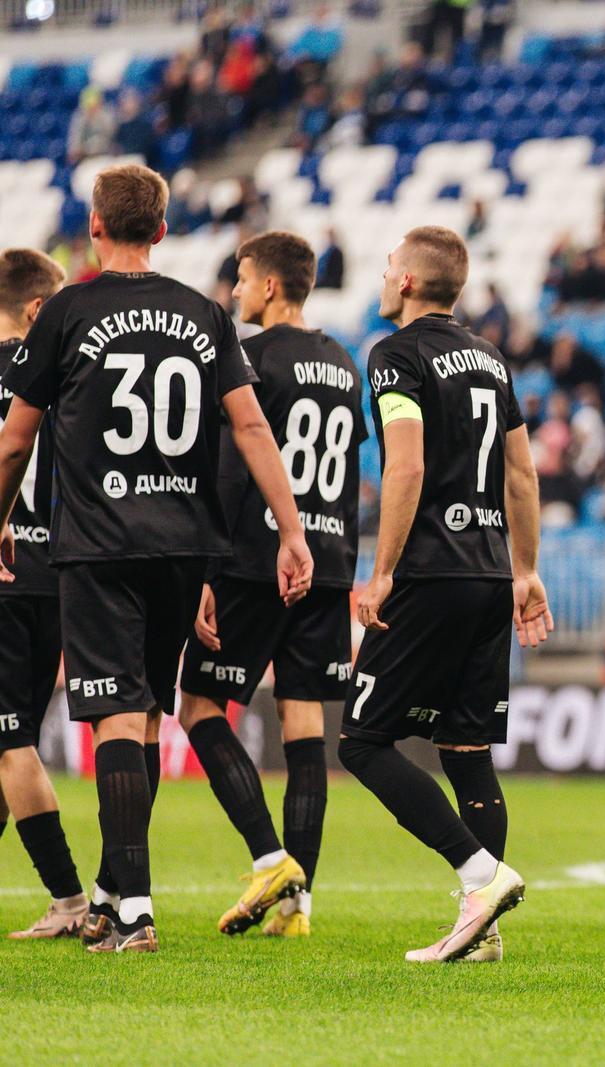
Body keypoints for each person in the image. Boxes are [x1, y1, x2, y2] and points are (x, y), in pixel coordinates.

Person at [0, 164, 313, 953]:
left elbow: (14, 439)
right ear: (164, 229)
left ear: (96, 226)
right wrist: (292, 526)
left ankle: (133, 907)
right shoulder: (203, 311)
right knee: (138, 715)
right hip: (183, 544)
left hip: (101, 544)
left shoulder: (68, 309)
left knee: (112, 712)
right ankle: (110, 890)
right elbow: (250, 429)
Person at [338, 226, 553, 963]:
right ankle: (482, 931)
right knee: (465, 748)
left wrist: (383, 570)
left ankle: (479, 875)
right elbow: (521, 473)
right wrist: (524, 569)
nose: (383, 270)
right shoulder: (490, 359)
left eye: (389, 261)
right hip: (491, 571)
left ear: (404, 283)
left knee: (363, 741)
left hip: (431, 572)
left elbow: (405, 467)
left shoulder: (393, 355)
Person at [174, 231, 365, 938]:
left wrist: (206, 568)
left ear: (272, 288)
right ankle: (298, 906)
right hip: (329, 557)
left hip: (256, 556)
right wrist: (336, 555)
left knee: (198, 705)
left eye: (243, 278)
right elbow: (348, 472)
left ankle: (270, 857)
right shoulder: (345, 362)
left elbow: (230, 465)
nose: (236, 290)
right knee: (304, 719)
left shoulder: (250, 357)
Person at [0, 250, 87, 939]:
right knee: (7, 738)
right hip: (54, 578)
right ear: (37, 311)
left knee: (10, 742)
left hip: (2, 577)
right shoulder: (67, 382)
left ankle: (68, 898)